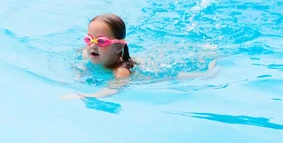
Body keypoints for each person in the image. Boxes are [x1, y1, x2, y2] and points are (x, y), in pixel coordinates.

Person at [62, 13, 218, 99]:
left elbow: (112, 90)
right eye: (89, 39)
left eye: (101, 41)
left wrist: (86, 96)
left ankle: (206, 72)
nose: (92, 45)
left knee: (172, 75)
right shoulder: (86, 53)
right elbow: (80, 66)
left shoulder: (120, 71)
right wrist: (79, 75)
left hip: (148, 72)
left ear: (118, 47)